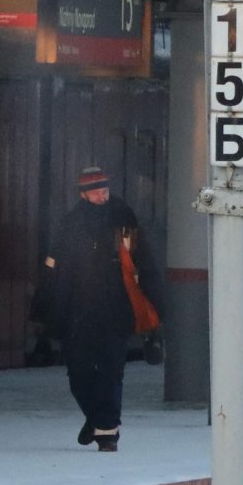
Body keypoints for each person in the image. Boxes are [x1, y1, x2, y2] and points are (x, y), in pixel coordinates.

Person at [43, 165, 163, 452]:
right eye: (96, 191)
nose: (102, 195)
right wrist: (49, 306)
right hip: (77, 312)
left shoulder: (124, 219)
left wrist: (155, 302)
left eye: (105, 189)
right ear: (83, 194)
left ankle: (107, 434)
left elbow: (143, 260)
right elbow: (53, 267)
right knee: (79, 374)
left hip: (115, 309)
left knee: (110, 372)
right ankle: (96, 418)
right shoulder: (69, 224)